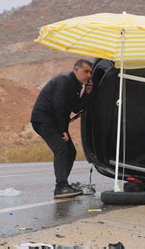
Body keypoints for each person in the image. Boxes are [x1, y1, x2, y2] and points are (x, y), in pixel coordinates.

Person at [31, 59, 93, 198]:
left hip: (53, 121)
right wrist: (62, 130)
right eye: (86, 71)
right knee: (62, 149)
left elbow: (76, 108)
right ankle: (61, 187)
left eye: (90, 72)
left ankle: (64, 184)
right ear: (76, 70)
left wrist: (87, 93)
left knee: (70, 151)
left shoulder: (76, 85)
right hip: (44, 120)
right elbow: (59, 106)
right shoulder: (64, 80)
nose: (89, 75)